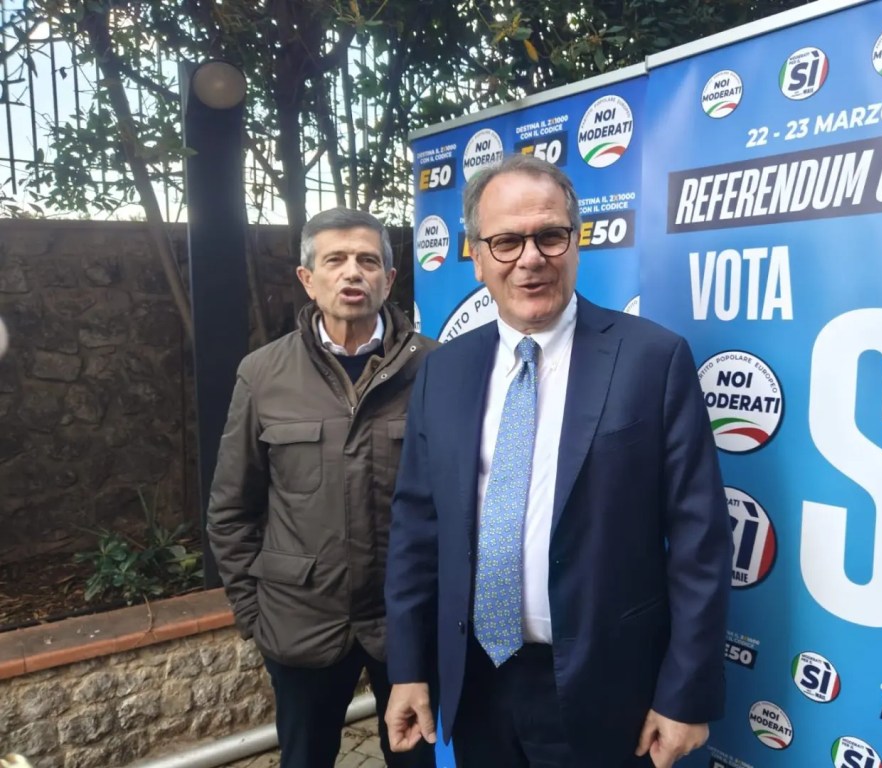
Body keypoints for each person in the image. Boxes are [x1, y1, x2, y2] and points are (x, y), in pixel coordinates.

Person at [384, 154, 733, 768]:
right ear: (477, 255)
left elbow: (699, 540)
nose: (531, 258)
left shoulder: (652, 360)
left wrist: (686, 694)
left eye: (550, 235)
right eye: (507, 241)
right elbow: (417, 529)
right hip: (475, 683)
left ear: (576, 243)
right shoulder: (444, 370)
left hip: (608, 692)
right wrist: (409, 668)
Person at [207, 208, 438, 768]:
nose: (352, 273)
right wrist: (253, 615)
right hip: (299, 622)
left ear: (388, 277)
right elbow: (232, 508)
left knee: (418, 760)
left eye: (367, 260)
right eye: (335, 260)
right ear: (308, 279)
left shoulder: (436, 368)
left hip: (407, 624)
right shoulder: (263, 374)